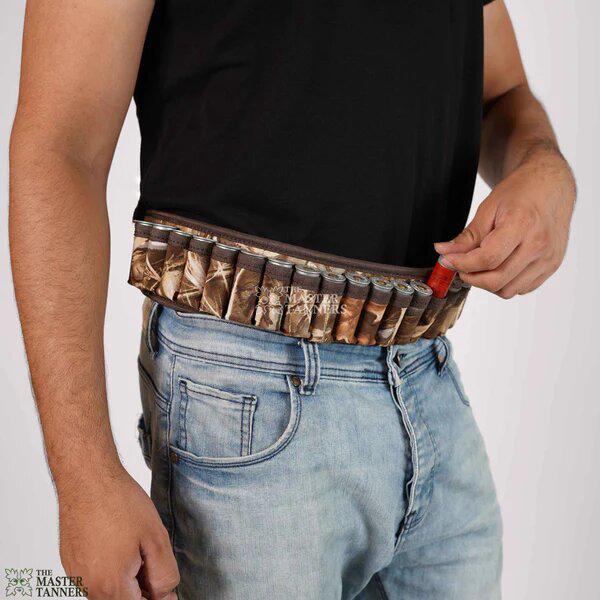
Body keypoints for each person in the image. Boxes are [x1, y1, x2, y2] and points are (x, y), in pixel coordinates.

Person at [9, 0, 575, 598]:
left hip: (429, 384)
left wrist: (543, 164)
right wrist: (85, 477)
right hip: (244, 400)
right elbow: (61, 146)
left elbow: (500, 93)